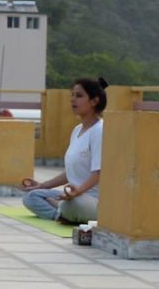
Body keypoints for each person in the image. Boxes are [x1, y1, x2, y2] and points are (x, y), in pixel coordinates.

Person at [21, 78, 106, 224]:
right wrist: (42, 185)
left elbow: (98, 173)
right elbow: (71, 172)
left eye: (79, 96)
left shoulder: (100, 130)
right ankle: (62, 213)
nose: (73, 100)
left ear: (94, 101)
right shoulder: (77, 130)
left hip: (92, 200)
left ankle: (62, 211)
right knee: (31, 196)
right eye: (72, 95)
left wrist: (77, 192)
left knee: (72, 204)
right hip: (72, 195)